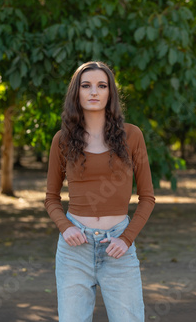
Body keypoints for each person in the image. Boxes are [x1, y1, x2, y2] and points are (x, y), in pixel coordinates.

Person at [44, 61, 155, 322]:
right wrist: (65, 227)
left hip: (118, 248)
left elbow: (147, 198)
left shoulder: (132, 136)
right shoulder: (62, 140)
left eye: (101, 86)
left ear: (110, 94)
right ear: (77, 93)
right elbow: (51, 198)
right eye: (86, 86)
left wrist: (126, 239)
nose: (94, 92)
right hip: (74, 250)